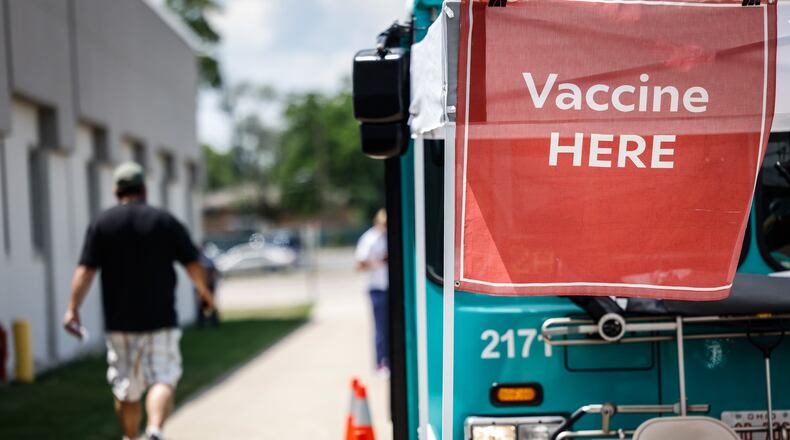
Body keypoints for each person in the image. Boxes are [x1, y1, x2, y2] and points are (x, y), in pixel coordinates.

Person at [62, 162, 214, 440]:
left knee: (126, 388)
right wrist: (205, 293)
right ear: (144, 189)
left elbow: (85, 270)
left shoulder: (102, 223)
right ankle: (154, 431)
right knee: (163, 377)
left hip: (120, 322)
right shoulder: (164, 221)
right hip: (161, 319)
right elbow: (193, 264)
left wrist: (73, 308)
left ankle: (132, 438)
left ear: (116, 190)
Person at [355, 209, 389, 374]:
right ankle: (380, 362)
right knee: (380, 327)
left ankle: (389, 359)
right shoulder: (369, 239)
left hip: (389, 287)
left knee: (391, 326)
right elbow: (359, 264)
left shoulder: (388, 238)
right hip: (376, 288)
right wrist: (379, 262)